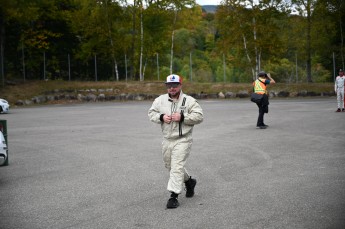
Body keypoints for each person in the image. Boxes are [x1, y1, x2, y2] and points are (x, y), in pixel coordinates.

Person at [148, 74, 203, 209]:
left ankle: (173, 196)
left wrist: (183, 117)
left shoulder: (189, 101)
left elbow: (199, 116)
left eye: (175, 85)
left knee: (177, 166)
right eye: (169, 85)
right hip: (167, 139)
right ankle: (189, 182)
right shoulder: (160, 100)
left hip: (183, 139)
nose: (172, 88)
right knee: (170, 166)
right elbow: (151, 113)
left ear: (180, 85)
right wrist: (161, 117)